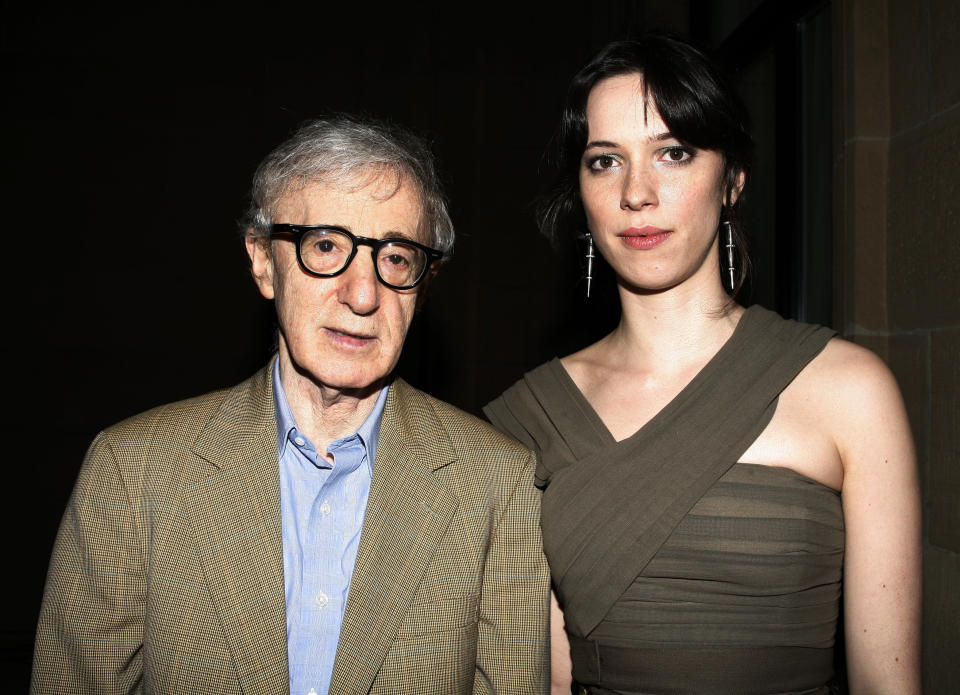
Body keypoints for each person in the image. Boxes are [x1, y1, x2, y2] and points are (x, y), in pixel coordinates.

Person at [32, 116, 549, 695]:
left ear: (423, 284)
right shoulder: (133, 469)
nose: (362, 294)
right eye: (325, 246)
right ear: (261, 262)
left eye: (397, 257)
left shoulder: (499, 481)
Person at [485, 35, 920, 695]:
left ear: (734, 180)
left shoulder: (850, 391)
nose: (637, 192)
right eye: (605, 161)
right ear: (582, 190)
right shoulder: (529, 419)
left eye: (674, 153)